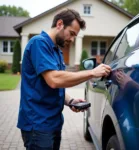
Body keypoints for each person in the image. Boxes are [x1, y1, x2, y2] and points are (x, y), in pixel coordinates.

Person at [17, 9, 111, 150]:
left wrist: (70, 101)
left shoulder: (57, 51)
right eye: (72, 34)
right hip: (38, 124)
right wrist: (92, 72)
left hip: (53, 122)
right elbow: (54, 80)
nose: (72, 39)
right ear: (60, 24)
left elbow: (56, 84)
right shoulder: (39, 43)